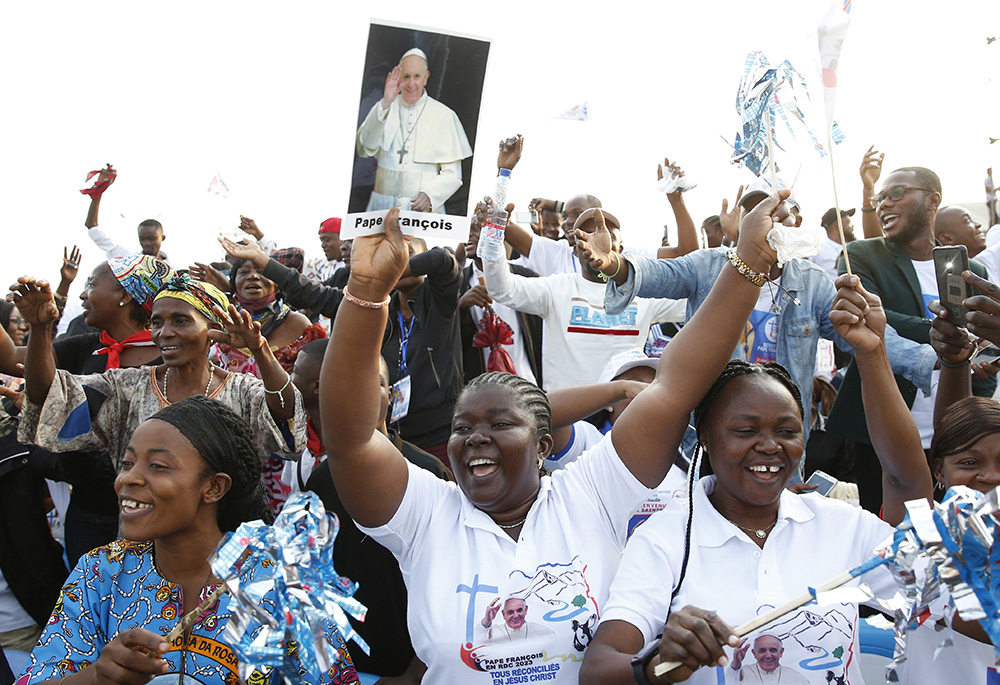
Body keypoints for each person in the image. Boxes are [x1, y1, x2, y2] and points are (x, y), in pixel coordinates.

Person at [320, 188, 798, 682]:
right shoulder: (425, 514)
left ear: (544, 447)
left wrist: (747, 263)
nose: (475, 438)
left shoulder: (589, 495)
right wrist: (366, 291)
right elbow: (351, 439)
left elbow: (674, 388)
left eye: (500, 425)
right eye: (463, 428)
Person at [578, 273, 931, 684]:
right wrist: (658, 662)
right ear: (705, 437)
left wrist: (872, 353)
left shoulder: (842, 527)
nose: (769, 446)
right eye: (745, 431)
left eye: (786, 431)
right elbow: (599, 668)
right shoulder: (665, 539)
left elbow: (908, 488)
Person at [19, 396, 359, 685]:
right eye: (127, 462)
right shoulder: (101, 572)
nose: (128, 479)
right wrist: (95, 677)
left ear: (213, 487)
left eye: (157, 465)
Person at [589, 185, 935, 448]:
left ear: (795, 224)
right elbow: (657, 275)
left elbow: (869, 338)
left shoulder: (812, 283)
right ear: (742, 224)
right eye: (757, 216)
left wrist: (941, 360)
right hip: (711, 432)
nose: (770, 224)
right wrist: (613, 265)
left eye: (779, 216)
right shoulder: (709, 265)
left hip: (780, 439)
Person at [13, 274, 305, 492]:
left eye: (180, 321)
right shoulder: (127, 388)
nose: (164, 332)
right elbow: (51, 398)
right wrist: (40, 328)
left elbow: (287, 424)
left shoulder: (241, 391)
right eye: (157, 322)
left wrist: (260, 350)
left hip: (221, 543)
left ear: (213, 329)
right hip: (147, 542)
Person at [827, 166, 996, 512]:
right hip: (880, 436)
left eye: (896, 194)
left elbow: (983, 342)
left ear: (933, 200)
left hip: (957, 439)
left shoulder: (971, 272)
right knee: (886, 531)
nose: (883, 205)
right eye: (879, 199)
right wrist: (947, 335)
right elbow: (874, 322)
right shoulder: (861, 254)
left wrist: (979, 362)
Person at [0, 255, 174, 565]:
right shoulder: (84, 347)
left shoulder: (170, 356)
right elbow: (12, 357)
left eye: (91, 284)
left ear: (123, 295)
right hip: (89, 511)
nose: (83, 294)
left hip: (153, 511)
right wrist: (40, 327)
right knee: (87, 603)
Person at [300, 344, 450, 679]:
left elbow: (448, 579)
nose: (362, 392)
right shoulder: (323, 479)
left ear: (391, 393)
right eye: (351, 382)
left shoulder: (427, 472)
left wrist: (413, 673)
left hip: (420, 660)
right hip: (354, 661)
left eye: (376, 382)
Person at [356, 48, 473, 213]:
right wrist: (385, 103)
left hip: (422, 209)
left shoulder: (445, 115)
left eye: (417, 76)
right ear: (398, 78)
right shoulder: (384, 108)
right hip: (381, 206)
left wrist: (430, 195)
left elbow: (453, 175)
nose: (411, 84)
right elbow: (364, 148)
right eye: (406, 77)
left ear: (426, 78)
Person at [459, 210, 542, 386]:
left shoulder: (527, 279)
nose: (469, 234)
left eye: (476, 228)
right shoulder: (457, 285)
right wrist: (459, 308)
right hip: (480, 393)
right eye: (467, 229)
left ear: (497, 234)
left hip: (527, 385)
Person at [81, 165, 170, 263]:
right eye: (142, 239)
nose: (146, 243)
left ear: (163, 238)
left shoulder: (174, 268)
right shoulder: (129, 260)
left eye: (151, 238)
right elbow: (92, 226)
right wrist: (98, 192)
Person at [726, 634, 808, 685]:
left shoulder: (796, 678)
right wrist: (736, 664)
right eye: (762, 650)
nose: (768, 656)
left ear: (781, 652)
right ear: (754, 653)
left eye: (773, 650)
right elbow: (731, 680)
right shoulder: (743, 673)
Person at [809, 207, 856, 280]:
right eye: (848, 222)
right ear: (837, 225)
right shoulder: (817, 251)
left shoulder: (856, 247)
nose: (852, 226)